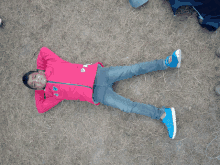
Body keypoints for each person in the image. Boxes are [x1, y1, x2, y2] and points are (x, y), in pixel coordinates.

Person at [22, 47, 181, 139]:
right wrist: (41, 90)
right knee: (128, 107)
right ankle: (163, 114)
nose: (37, 80)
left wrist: (43, 70)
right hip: (97, 94)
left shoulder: (52, 64)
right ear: (36, 88)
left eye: (35, 76)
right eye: (34, 84)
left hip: (98, 74)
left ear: (38, 71)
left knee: (134, 69)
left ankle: (167, 62)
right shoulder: (50, 94)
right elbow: (40, 108)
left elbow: (43, 51)